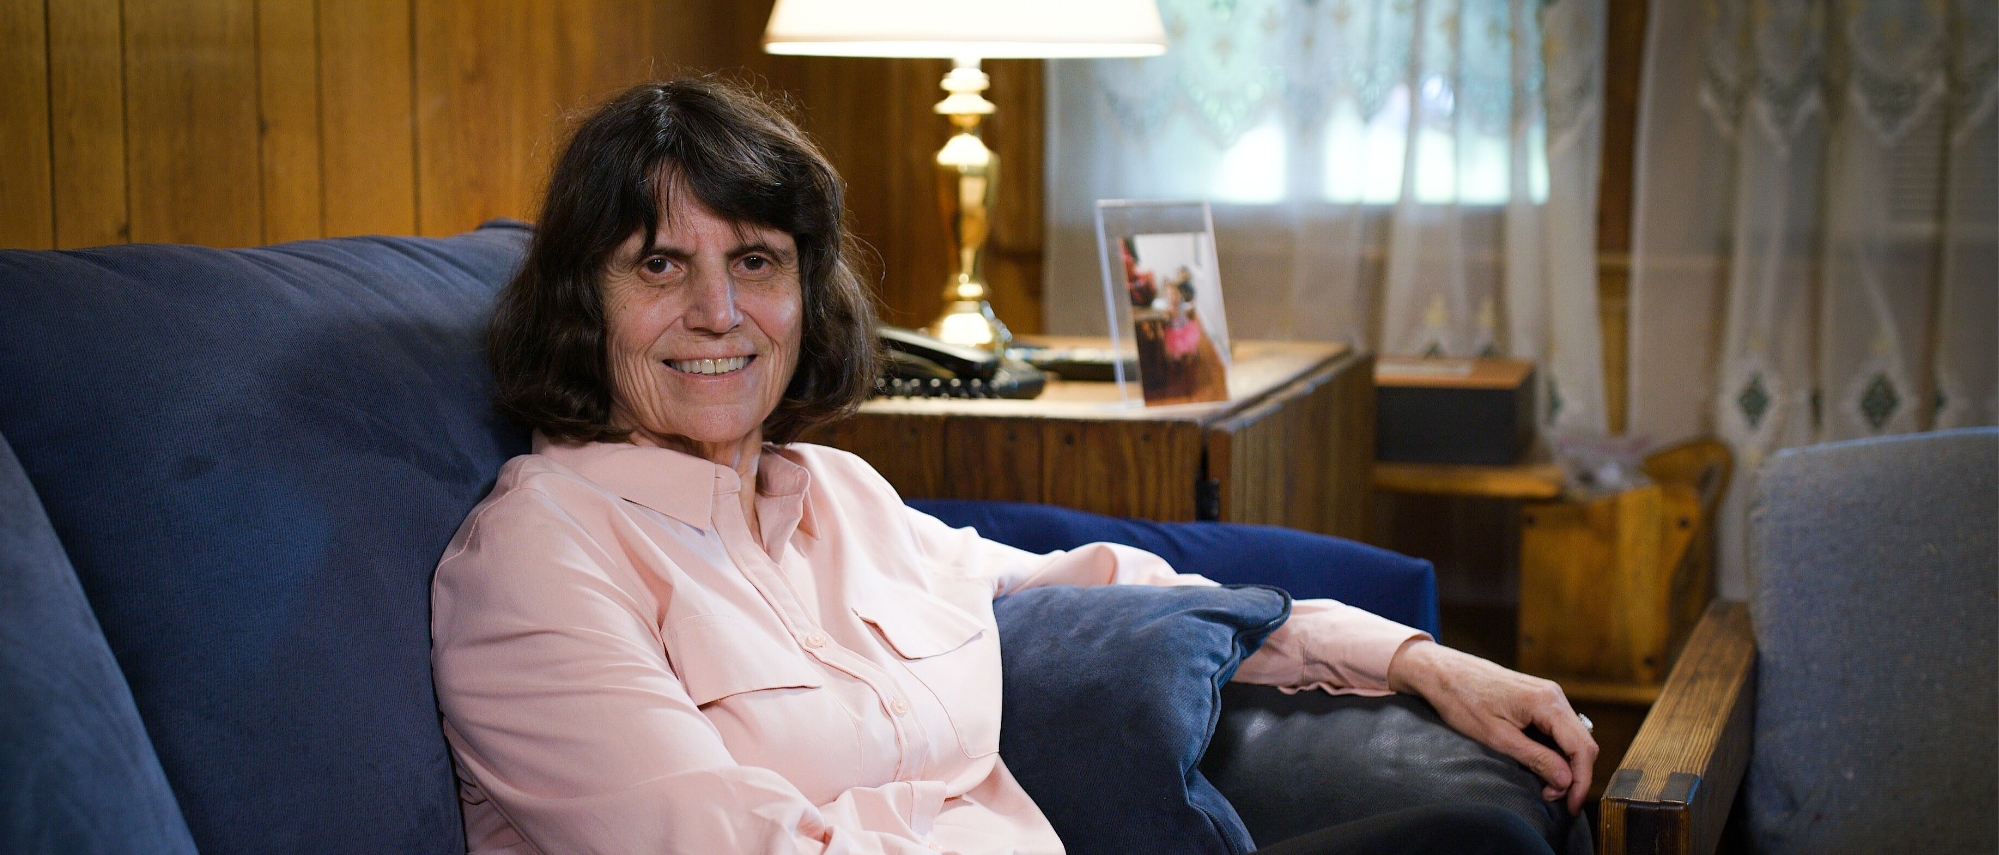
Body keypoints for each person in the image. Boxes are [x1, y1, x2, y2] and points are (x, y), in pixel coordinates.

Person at [430, 78, 1596, 855]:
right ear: (582, 300)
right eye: (658, 265)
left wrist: (1416, 658)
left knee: (1479, 835)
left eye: (756, 260)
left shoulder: (835, 497)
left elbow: (1099, 584)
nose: (718, 312)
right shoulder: (540, 559)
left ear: (805, 291)